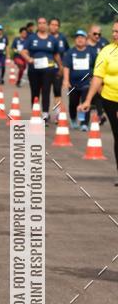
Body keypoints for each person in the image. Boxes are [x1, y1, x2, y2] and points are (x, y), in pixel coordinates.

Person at [79, 20, 118, 182]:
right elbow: (97, 77)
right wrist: (88, 100)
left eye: (117, 31)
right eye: (114, 31)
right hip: (110, 98)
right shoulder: (106, 51)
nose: (114, 34)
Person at [21, 16, 61, 122]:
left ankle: (45, 113)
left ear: (47, 25)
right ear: (37, 25)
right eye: (39, 23)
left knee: (46, 90)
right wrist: (28, 59)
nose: (42, 25)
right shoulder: (31, 38)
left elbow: (56, 54)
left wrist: (60, 67)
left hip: (48, 69)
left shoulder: (52, 39)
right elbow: (23, 51)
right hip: (34, 69)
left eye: (44, 23)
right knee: (35, 91)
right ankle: (35, 112)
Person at [63, 30, 97, 130]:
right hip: (73, 84)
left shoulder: (91, 52)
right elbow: (66, 67)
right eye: (77, 37)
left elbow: (97, 65)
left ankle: (84, 123)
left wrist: (94, 78)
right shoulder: (70, 52)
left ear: (86, 39)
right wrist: (66, 80)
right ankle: (73, 119)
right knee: (73, 103)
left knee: (86, 102)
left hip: (87, 83)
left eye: (82, 37)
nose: (80, 39)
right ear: (75, 40)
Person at [49, 17, 70, 122]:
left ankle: (57, 114)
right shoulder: (44, 37)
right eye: (52, 24)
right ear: (49, 26)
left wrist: (65, 66)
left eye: (56, 25)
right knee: (45, 91)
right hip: (45, 69)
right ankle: (44, 113)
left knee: (57, 91)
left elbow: (68, 52)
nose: (54, 27)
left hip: (59, 69)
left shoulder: (62, 38)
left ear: (59, 27)